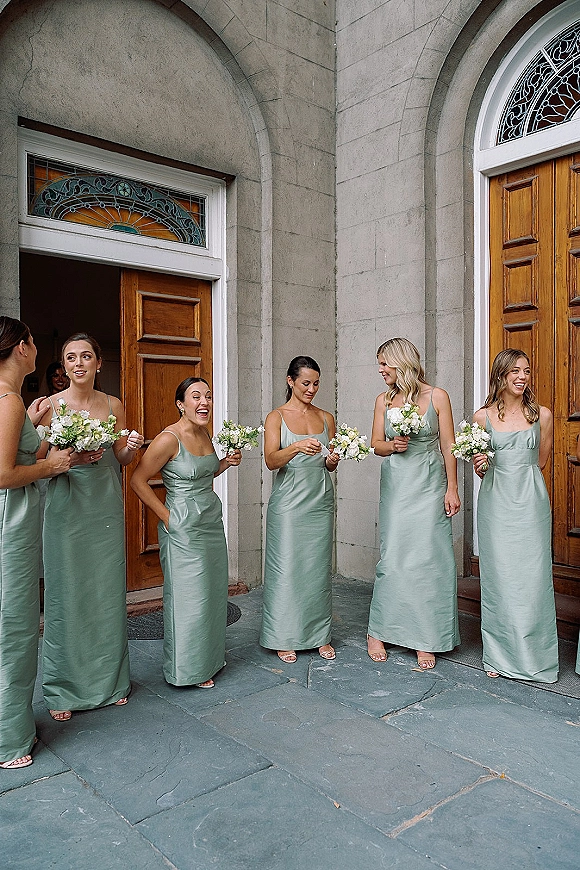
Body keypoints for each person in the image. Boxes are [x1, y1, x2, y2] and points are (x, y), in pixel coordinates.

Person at [37, 333, 144, 720]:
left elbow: (122, 456)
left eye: (86, 356)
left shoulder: (112, 404)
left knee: (104, 594)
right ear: (63, 366)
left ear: (99, 363)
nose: (78, 363)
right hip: (66, 510)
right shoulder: (48, 407)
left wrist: (131, 444)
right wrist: (72, 459)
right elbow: (39, 463)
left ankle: (110, 682)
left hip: (104, 510)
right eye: (70, 358)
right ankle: (63, 689)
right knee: (67, 596)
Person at [130, 377, 241, 687]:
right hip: (182, 526)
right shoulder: (169, 438)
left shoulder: (204, 433)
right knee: (188, 598)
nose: (204, 401)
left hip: (210, 521)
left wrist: (225, 463)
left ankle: (208, 660)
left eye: (208, 395)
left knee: (211, 593)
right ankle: (186, 670)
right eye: (196, 396)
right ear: (181, 404)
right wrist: (168, 517)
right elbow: (138, 480)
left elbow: (204, 472)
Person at [0, 317, 71, 769]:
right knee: (14, 628)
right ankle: (8, 740)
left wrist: (36, 427)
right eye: (31, 342)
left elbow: (18, 453)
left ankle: (14, 722)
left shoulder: (14, 403)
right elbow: (4, 475)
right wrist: (52, 466)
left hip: (17, 523)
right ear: (22, 348)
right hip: (11, 525)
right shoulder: (7, 400)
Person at [367, 338, 460, 670]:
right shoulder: (383, 400)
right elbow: (374, 445)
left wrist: (452, 488)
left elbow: (448, 444)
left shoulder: (438, 396)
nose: (380, 370)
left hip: (430, 481)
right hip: (397, 484)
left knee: (428, 558)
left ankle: (424, 636)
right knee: (393, 555)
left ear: (400, 363)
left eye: (383, 364)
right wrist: (392, 445)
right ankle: (378, 631)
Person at [473, 348, 558, 682]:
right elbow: (480, 465)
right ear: (500, 375)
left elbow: (541, 461)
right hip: (496, 503)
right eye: (515, 371)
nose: (522, 377)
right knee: (500, 578)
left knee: (533, 578)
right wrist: (481, 467)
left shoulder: (543, 415)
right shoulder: (482, 417)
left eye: (526, 371)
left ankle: (536, 657)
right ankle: (498, 655)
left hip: (531, 504)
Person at [260, 356, 339, 663]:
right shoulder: (275, 417)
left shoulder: (326, 417)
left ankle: (318, 635)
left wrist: (332, 461)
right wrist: (295, 447)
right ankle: (284, 635)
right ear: (290, 381)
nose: (311, 389)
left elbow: (329, 463)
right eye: (306, 383)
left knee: (317, 571)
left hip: (319, 500)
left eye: (316, 383)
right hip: (289, 505)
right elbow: (270, 461)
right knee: (288, 570)